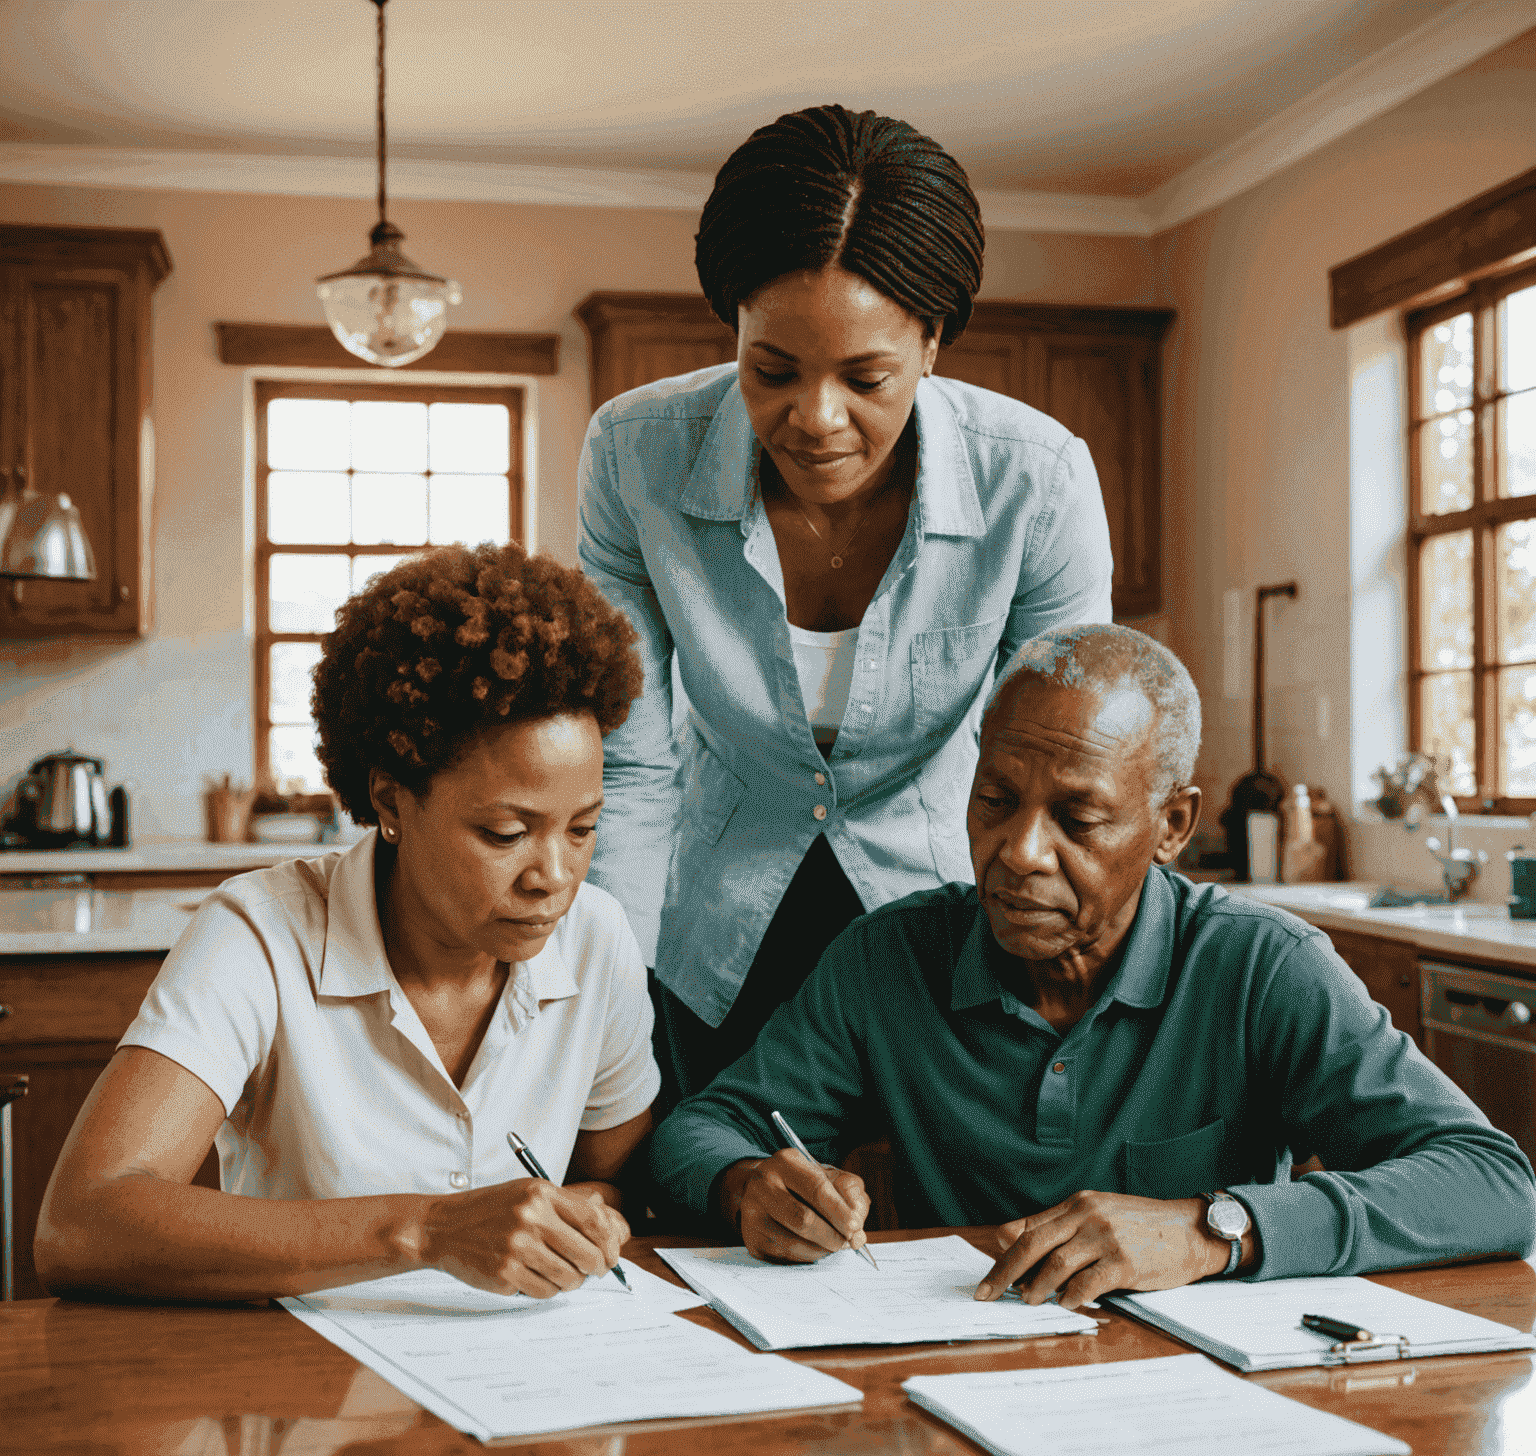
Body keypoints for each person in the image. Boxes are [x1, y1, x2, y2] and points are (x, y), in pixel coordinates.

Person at [649, 624, 1536, 1308]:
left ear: (1173, 827)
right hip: (963, 1384)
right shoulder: (890, 958)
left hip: (1207, 1417)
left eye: (1078, 818)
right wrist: (746, 1185)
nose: (1020, 852)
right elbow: (701, 1130)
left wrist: (1212, 1228)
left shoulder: (1261, 967)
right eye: (995, 800)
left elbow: (1494, 1184)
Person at [578, 104, 1114, 1113]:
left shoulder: (1034, 481)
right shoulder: (634, 453)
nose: (816, 420)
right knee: (702, 1203)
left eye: (867, 377)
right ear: (731, 329)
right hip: (710, 930)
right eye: (770, 370)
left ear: (933, 344)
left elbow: (1064, 770)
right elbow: (632, 761)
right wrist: (602, 1000)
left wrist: (1064, 987)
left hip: (946, 922)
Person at [36, 543, 659, 1302]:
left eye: (582, 829)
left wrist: (594, 1215)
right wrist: (428, 1231)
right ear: (392, 801)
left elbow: (624, 1179)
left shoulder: (598, 939)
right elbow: (84, 1222)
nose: (553, 878)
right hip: (295, 1392)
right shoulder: (258, 935)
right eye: (505, 833)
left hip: (518, 1385)